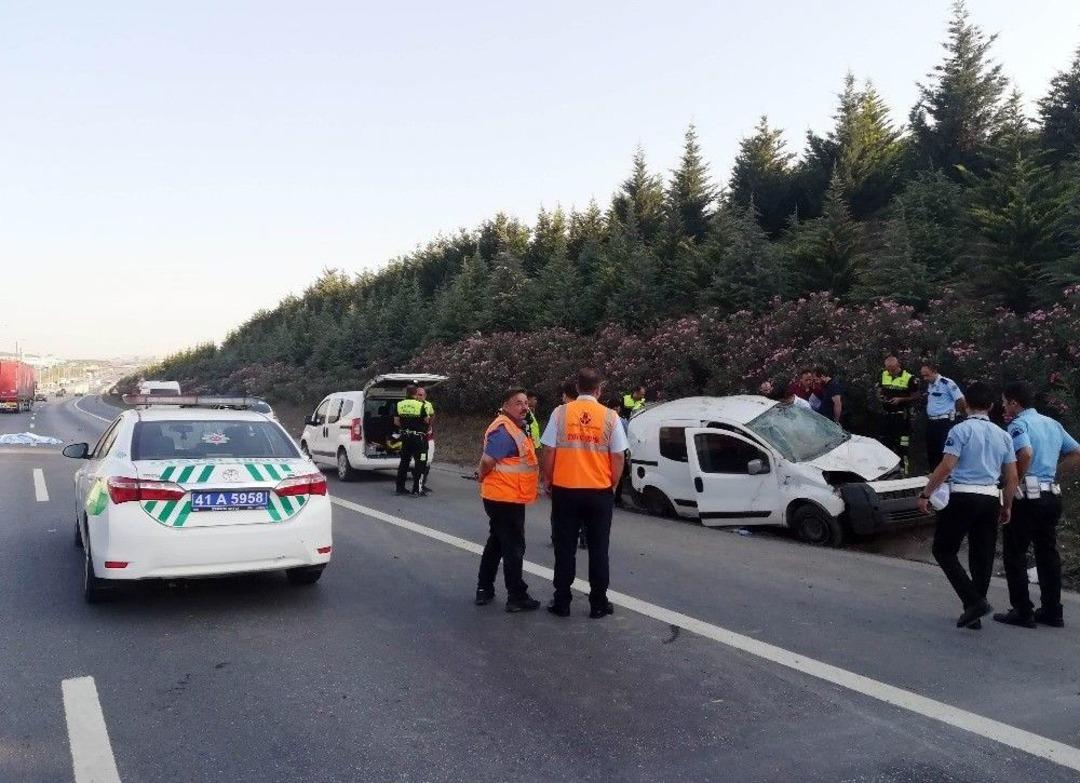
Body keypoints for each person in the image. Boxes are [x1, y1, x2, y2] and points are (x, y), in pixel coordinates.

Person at [916, 381, 1018, 630]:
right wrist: (1007, 505)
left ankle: (973, 602)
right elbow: (1012, 475)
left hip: (963, 496)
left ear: (966, 405)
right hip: (991, 498)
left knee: (943, 549)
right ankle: (974, 611)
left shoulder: (959, 431)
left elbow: (947, 465)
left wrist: (926, 493)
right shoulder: (1003, 435)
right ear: (992, 406)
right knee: (981, 556)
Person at [993, 381, 1080, 629]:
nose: (1003, 406)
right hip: (1051, 495)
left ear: (1014, 403)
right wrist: (1055, 474)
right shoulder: (1053, 423)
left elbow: (1026, 453)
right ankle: (1052, 610)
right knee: (1047, 553)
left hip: (1027, 497)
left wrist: (1014, 483)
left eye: (1004, 402)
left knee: (1015, 553)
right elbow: (1076, 452)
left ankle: (1022, 610)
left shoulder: (1019, 424)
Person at [541, 368, 627, 619]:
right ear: (599, 390)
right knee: (599, 548)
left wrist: (548, 479)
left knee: (564, 547)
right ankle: (598, 603)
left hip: (566, 490)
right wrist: (611, 485)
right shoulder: (610, 416)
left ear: (577, 387)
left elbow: (548, 450)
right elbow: (619, 455)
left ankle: (562, 602)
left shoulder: (561, 412)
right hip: (598, 492)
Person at [475, 388, 542, 613]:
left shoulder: (515, 427)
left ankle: (484, 588)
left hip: (508, 496)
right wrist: (482, 475)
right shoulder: (504, 429)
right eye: (518, 403)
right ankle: (516, 596)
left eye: (525, 403)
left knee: (496, 542)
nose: (524, 407)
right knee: (513, 547)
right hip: (504, 498)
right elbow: (487, 461)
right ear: (505, 405)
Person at [919, 362, 966, 471]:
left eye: (927, 375)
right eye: (923, 376)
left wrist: (959, 414)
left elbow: (960, 400)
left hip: (944, 422)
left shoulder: (947, 383)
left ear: (934, 371)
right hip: (932, 422)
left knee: (943, 452)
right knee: (931, 451)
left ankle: (945, 478)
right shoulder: (930, 385)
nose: (925, 378)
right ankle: (934, 475)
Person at [879, 355, 920, 472]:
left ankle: (904, 468)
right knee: (886, 442)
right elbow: (881, 389)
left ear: (898, 365)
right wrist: (881, 397)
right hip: (887, 415)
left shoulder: (909, 378)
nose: (889, 371)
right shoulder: (884, 374)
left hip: (902, 416)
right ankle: (888, 469)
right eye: (887, 368)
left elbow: (917, 396)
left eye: (892, 369)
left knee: (902, 443)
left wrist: (901, 399)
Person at [394, 385, 430, 496]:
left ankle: (400, 488)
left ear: (406, 393)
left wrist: (405, 427)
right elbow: (426, 421)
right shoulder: (421, 405)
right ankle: (417, 489)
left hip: (406, 438)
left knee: (404, 462)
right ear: (415, 393)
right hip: (419, 439)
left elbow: (396, 422)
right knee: (421, 463)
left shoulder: (399, 405)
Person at [415, 386, 436, 492]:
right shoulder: (414, 405)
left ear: (425, 396)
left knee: (427, 461)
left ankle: (422, 484)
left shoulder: (428, 405)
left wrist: (429, 426)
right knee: (418, 461)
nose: (419, 397)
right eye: (417, 394)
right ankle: (417, 486)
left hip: (427, 436)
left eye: (421, 395)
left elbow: (432, 415)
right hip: (416, 436)